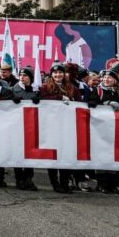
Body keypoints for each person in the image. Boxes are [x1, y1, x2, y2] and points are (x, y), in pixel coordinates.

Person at [40, 63, 81, 193]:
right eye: (55, 73)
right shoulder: (45, 87)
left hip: (68, 126)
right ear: (51, 75)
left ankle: (65, 183)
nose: (58, 75)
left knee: (66, 154)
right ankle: (55, 183)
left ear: (64, 74)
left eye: (60, 73)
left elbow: (79, 102)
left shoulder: (72, 88)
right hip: (52, 125)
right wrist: (59, 97)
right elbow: (43, 99)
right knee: (53, 156)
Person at [12, 67, 39, 190]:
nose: (22, 77)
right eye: (20, 75)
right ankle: (19, 179)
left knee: (30, 153)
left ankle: (29, 178)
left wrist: (40, 100)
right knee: (18, 152)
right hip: (18, 126)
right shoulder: (14, 89)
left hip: (31, 126)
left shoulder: (36, 89)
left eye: (25, 75)